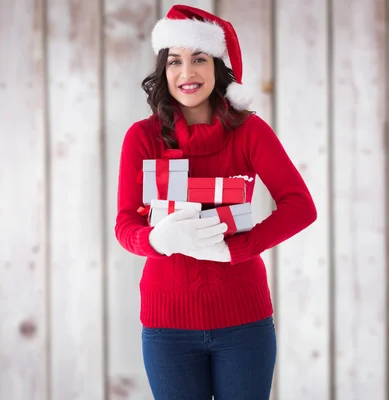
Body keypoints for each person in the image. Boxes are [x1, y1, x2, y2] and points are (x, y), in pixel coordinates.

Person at [114, 4, 317, 399]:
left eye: (199, 60)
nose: (186, 73)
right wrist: (156, 241)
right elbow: (125, 226)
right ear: (163, 70)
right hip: (166, 325)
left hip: (244, 323)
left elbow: (300, 206)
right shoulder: (142, 138)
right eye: (174, 62)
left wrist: (237, 249)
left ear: (218, 68)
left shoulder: (249, 132)